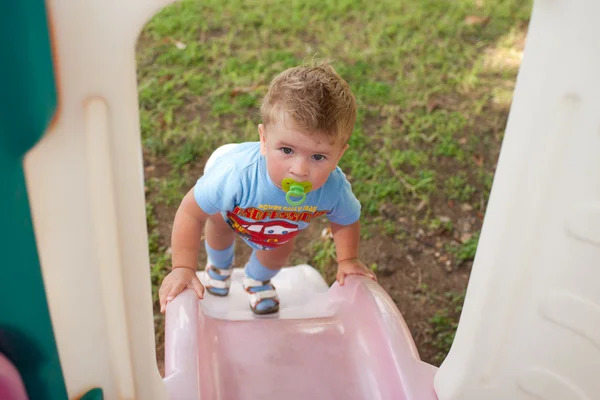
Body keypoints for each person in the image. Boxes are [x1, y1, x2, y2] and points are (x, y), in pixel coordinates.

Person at [158, 61, 376, 315]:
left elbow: (347, 220)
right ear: (263, 139)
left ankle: (257, 280)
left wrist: (347, 259)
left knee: (280, 247)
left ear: (339, 154)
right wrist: (182, 267)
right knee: (219, 226)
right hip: (233, 208)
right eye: (286, 150)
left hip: (281, 226)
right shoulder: (234, 176)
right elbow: (190, 213)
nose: (299, 169)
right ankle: (218, 268)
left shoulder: (333, 188)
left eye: (318, 157)